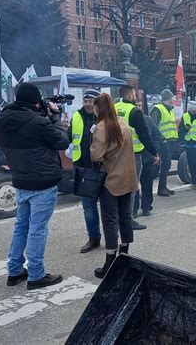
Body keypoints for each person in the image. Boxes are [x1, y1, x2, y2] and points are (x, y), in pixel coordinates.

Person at [0, 83, 69, 289]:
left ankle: (15, 270)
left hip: (20, 178)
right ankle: (36, 274)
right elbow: (62, 141)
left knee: (21, 226)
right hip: (42, 180)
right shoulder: (38, 122)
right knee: (37, 228)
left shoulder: (1, 119)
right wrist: (54, 117)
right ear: (36, 101)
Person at [90, 93, 138, 278]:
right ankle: (124, 253)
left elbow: (96, 156)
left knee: (110, 219)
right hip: (128, 177)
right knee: (125, 216)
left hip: (110, 179)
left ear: (98, 108)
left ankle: (110, 261)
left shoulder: (102, 127)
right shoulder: (123, 123)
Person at [114, 85, 158, 230]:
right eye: (134, 94)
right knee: (131, 188)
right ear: (129, 96)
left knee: (119, 187)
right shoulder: (134, 111)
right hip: (133, 154)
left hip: (116, 154)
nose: (135, 97)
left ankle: (119, 217)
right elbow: (143, 134)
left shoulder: (114, 108)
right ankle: (128, 220)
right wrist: (153, 152)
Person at [67, 88, 102, 253]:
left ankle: (113, 240)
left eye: (91, 101)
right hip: (84, 169)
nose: (87, 104)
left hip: (104, 168)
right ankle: (93, 238)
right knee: (88, 207)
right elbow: (69, 139)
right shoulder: (77, 117)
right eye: (85, 100)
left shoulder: (104, 118)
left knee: (110, 208)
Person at [133, 108, 163, 217]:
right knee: (136, 185)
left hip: (144, 156)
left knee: (144, 184)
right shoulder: (132, 119)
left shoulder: (148, 120)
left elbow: (156, 135)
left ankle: (145, 207)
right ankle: (135, 208)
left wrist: (154, 153)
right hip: (138, 156)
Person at [150, 89, 178, 197]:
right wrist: (162, 139)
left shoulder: (170, 110)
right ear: (168, 98)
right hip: (163, 142)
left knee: (166, 165)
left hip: (170, 141)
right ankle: (161, 189)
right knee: (165, 164)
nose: (173, 99)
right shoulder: (158, 109)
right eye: (172, 98)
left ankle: (163, 187)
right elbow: (154, 126)